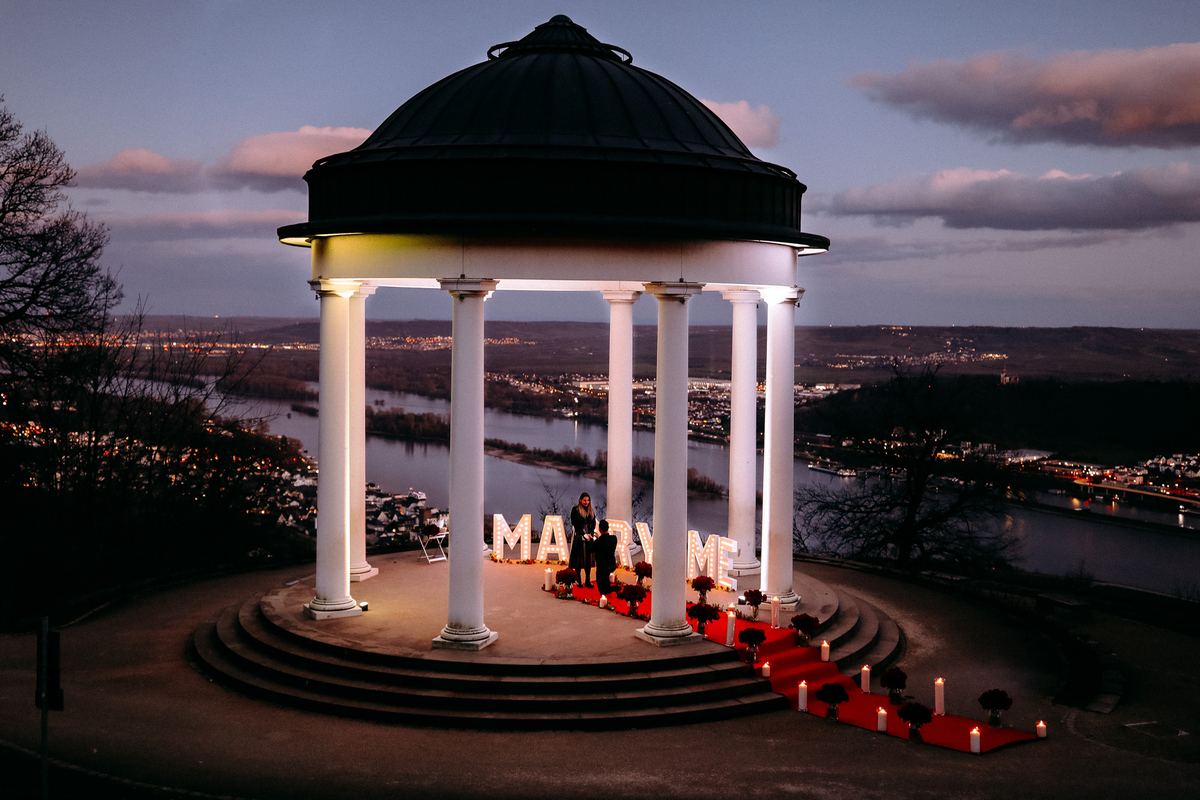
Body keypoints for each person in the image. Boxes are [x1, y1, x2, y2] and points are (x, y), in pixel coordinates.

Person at [569, 492, 597, 587]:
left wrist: (591, 533)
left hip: (589, 537)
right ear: (580, 500)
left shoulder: (591, 511)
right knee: (579, 560)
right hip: (579, 537)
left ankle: (588, 580)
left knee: (588, 560)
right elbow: (575, 523)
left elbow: (593, 524)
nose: (586, 502)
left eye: (588, 500)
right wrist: (583, 534)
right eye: (584, 500)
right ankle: (579, 580)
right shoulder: (575, 510)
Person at [592, 519, 618, 596]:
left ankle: (611, 589)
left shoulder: (598, 542)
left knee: (602, 589)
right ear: (608, 528)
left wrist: (595, 539)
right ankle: (611, 587)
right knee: (605, 579)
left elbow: (592, 549)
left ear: (599, 529)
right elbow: (605, 542)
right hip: (612, 565)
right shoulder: (614, 538)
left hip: (602, 568)